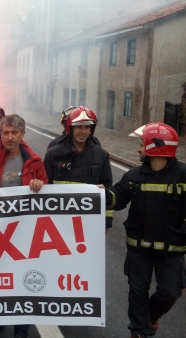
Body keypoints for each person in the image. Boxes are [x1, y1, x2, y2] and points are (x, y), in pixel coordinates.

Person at [99, 123, 186, 338]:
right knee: (137, 292)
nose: (138, 149)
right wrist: (100, 195)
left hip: (172, 249)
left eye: (141, 144)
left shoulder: (184, 175)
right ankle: (138, 332)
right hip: (139, 248)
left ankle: (150, 317)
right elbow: (118, 199)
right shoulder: (134, 176)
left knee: (169, 292)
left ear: (156, 147)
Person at [0, 114, 47, 338]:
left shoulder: (34, 161)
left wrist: (39, 184)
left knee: (24, 279)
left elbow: (48, 193)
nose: (9, 137)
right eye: (5, 133)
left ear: (23, 134)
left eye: (14, 133)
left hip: (25, 233)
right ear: (0, 135)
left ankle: (21, 329)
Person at [44, 107, 113, 231]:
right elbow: (45, 185)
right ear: (70, 128)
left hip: (88, 221)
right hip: (58, 221)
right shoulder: (53, 154)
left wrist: (106, 222)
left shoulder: (101, 155)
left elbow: (107, 191)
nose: (83, 131)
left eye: (87, 127)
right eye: (79, 127)